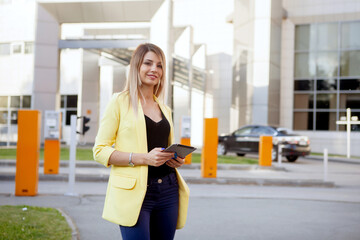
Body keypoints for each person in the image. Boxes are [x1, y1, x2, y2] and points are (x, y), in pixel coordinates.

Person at [93, 43, 190, 240]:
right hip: (135, 193)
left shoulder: (165, 109)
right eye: (148, 63)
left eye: (160, 65)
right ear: (137, 66)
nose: (154, 69)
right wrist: (144, 158)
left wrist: (176, 159)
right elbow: (99, 150)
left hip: (168, 190)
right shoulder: (119, 102)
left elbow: (164, 148)